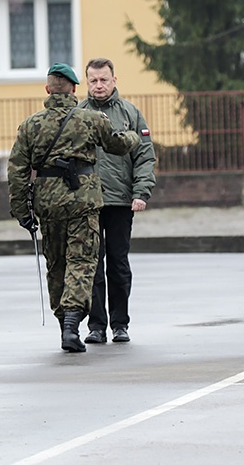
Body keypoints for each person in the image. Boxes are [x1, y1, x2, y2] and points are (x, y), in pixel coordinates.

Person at [8, 62, 140, 353]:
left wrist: (22, 212)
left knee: (56, 264)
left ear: (47, 90)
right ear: (74, 89)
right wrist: (133, 135)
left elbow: (16, 171)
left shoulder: (31, 125)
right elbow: (118, 145)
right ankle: (72, 325)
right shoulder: (91, 119)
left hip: (48, 204)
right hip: (83, 202)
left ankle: (63, 325)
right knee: (82, 263)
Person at [77, 58, 156, 344]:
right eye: (93, 80)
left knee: (118, 264)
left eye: (104, 80)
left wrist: (140, 192)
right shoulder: (78, 114)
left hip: (121, 202)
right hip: (87, 203)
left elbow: (145, 156)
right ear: (87, 82)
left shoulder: (130, 113)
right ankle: (96, 326)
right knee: (92, 266)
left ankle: (120, 324)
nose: (99, 85)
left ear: (114, 80)